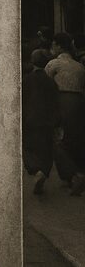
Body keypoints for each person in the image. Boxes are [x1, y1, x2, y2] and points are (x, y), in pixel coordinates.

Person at [45, 32, 85, 195]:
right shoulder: (79, 66)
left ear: (59, 46)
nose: (51, 48)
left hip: (60, 101)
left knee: (56, 139)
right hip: (79, 102)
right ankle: (73, 175)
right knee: (74, 139)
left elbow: (46, 87)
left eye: (53, 44)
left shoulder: (53, 64)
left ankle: (73, 176)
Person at [23, 49, 59, 194]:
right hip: (46, 121)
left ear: (32, 62)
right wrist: (56, 121)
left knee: (29, 148)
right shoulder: (50, 82)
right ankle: (43, 171)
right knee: (46, 148)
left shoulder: (26, 80)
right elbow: (55, 102)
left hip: (29, 119)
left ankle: (35, 169)